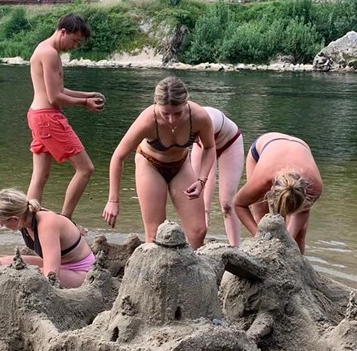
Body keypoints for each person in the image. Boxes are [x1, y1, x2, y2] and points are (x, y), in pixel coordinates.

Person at [103, 76, 215, 249]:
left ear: (186, 103)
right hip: (150, 164)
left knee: (198, 230)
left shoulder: (199, 117)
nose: (171, 120)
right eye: (165, 114)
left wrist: (202, 180)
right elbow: (118, 156)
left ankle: (193, 264)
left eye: (177, 113)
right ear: (156, 104)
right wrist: (113, 200)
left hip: (181, 164)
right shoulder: (148, 120)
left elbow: (209, 147)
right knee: (155, 233)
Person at [27, 13, 105, 220]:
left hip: (38, 116)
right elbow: (54, 97)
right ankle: (65, 219)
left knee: (40, 175)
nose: (75, 46)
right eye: (75, 40)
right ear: (63, 32)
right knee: (85, 169)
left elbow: (59, 89)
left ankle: (28, 222)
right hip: (48, 118)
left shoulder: (45, 49)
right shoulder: (50, 53)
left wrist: (86, 95)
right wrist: (84, 103)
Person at [233, 133, 322, 254]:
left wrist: (288, 240)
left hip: (299, 147)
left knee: (299, 234)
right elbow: (238, 204)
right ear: (271, 190)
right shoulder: (263, 179)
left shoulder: (314, 186)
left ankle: (297, 262)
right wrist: (260, 238)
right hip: (262, 149)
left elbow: (304, 212)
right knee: (262, 217)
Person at [191, 106, 244, 247]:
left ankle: (235, 248)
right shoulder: (177, 121)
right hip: (201, 146)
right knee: (195, 197)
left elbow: (210, 173)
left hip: (230, 143)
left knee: (227, 203)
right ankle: (196, 245)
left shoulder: (206, 121)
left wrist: (206, 209)